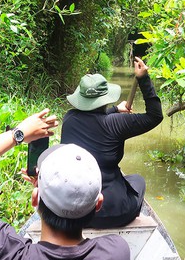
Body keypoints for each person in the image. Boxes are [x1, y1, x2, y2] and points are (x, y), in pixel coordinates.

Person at [0, 108, 130, 260]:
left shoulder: (9, 259)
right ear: (98, 204)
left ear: (35, 198)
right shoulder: (115, 253)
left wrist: (18, 134)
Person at [61, 56, 163, 228]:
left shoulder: (69, 119)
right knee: (137, 180)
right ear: (106, 98)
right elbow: (155, 115)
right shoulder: (117, 123)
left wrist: (115, 109)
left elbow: (93, 118)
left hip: (75, 213)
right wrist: (144, 79)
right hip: (114, 212)